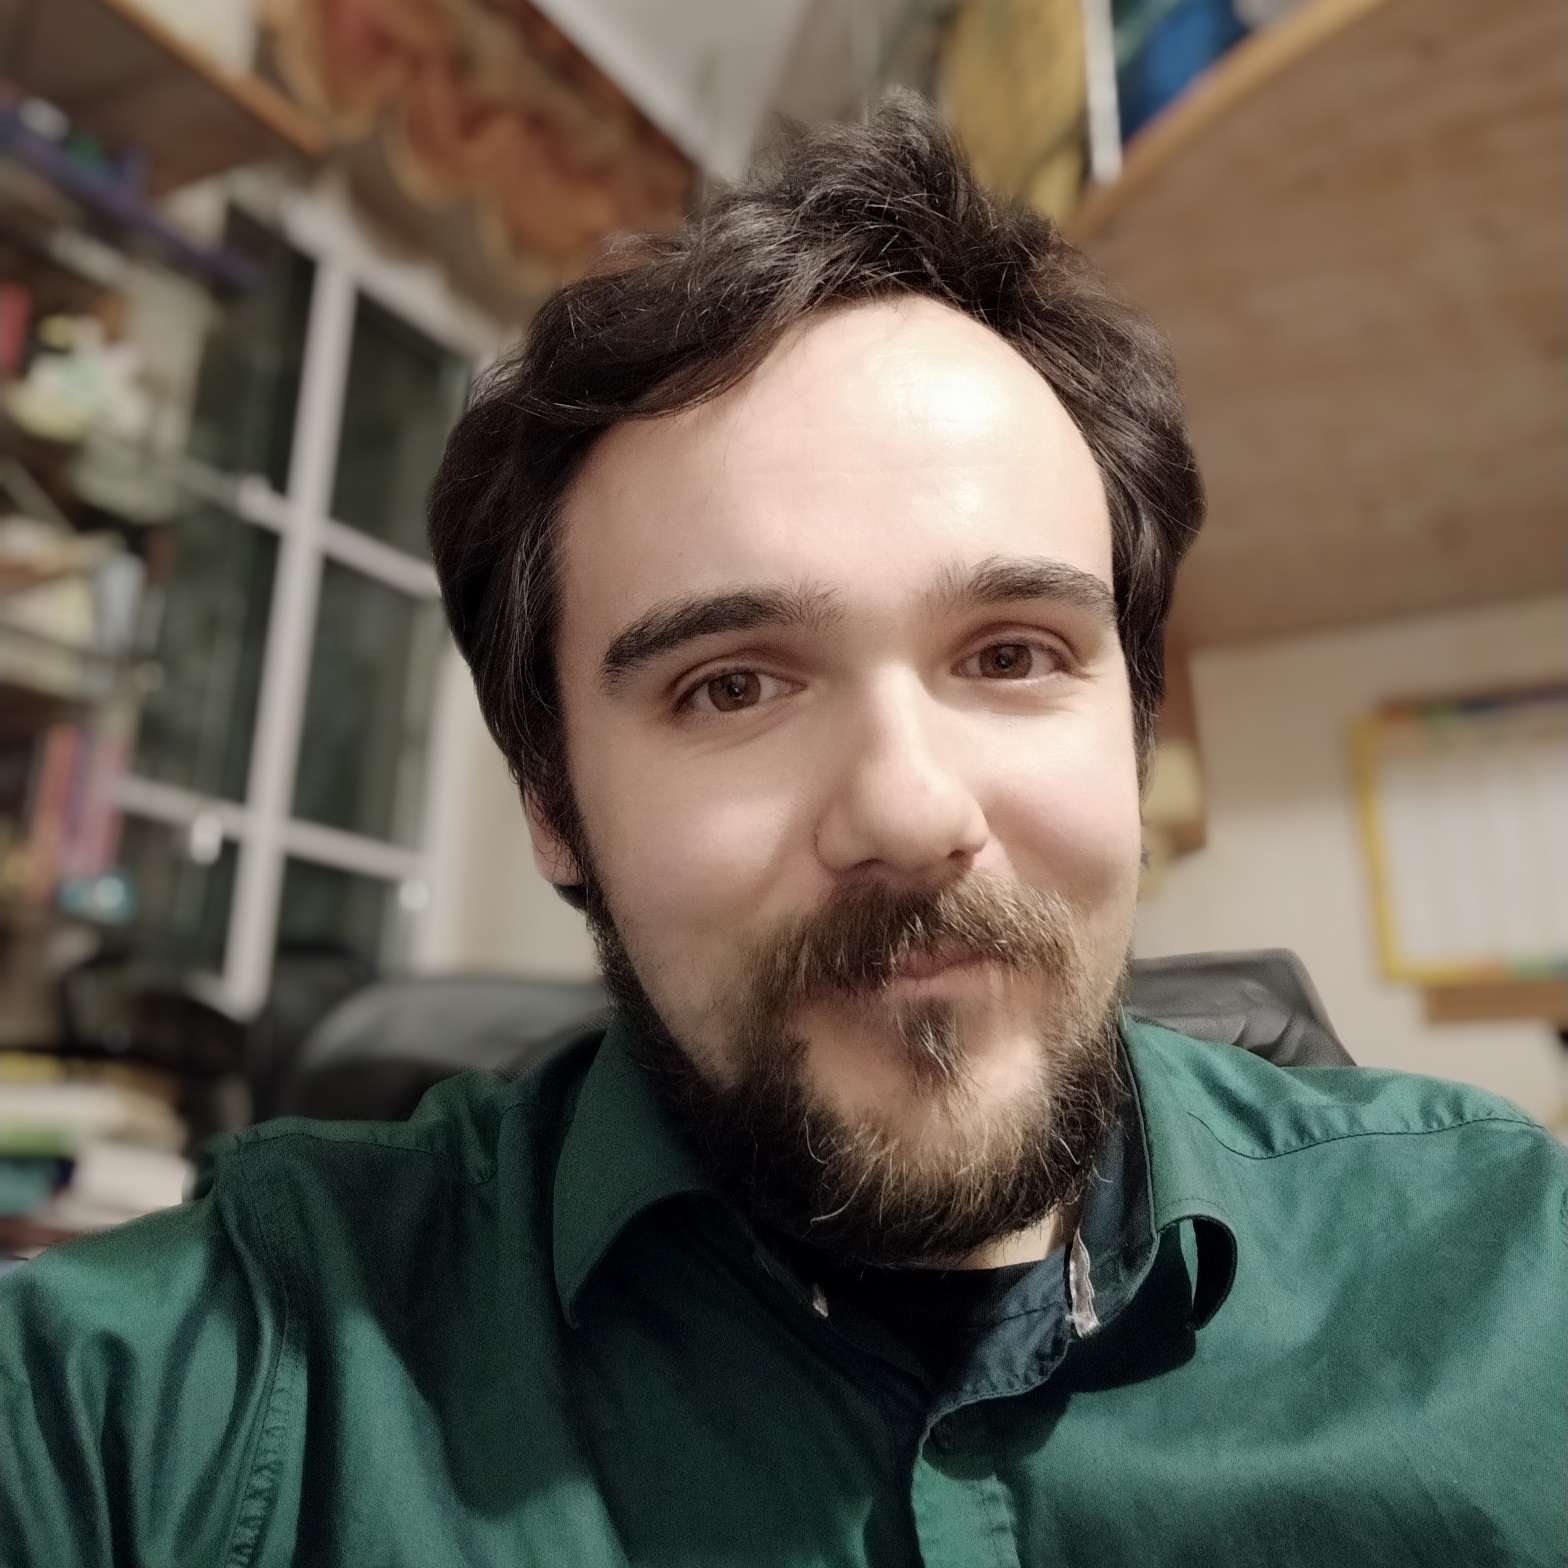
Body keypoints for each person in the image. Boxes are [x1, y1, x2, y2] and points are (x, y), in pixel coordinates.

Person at [2, 92, 1562, 1568]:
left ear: (1133, 726)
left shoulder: (1516, 1284)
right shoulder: (212, 1399)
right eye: (732, 685)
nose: (911, 809)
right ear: (553, 804)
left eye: (1014, 654)